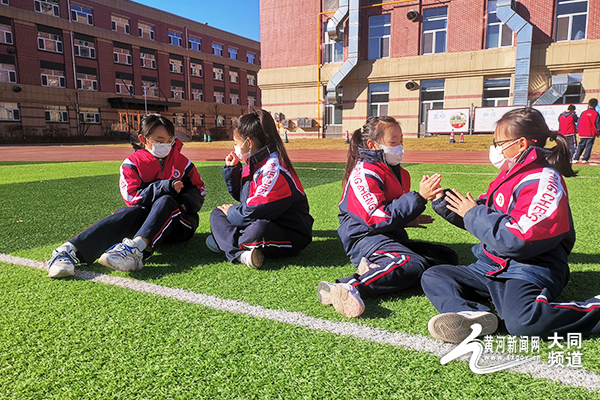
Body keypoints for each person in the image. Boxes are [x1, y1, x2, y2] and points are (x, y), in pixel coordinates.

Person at [418, 107, 600, 344]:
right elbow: (484, 217)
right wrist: (444, 201)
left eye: (499, 143)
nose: (496, 149)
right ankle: (469, 313)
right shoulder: (510, 175)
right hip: (491, 265)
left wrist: (473, 212)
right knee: (435, 275)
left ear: (521, 144)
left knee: (523, 322)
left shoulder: (545, 179)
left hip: (530, 268)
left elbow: (520, 238)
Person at [318, 116, 459, 318]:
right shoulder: (363, 173)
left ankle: (377, 267)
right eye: (393, 142)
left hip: (389, 236)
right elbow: (376, 216)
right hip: (364, 239)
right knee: (411, 263)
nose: (400, 147)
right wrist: (419, 198)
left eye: (401, 141)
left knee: (446, 257)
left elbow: (390, 213)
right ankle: (349, 285)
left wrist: (408, 220)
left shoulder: (401, 173)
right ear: (371, 144)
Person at [45, 114, 206, 278]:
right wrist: (163, 186)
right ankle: (68, 251)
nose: (165, 145)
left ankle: (134, 251)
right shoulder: (132, 164)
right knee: (129, 212)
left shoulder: (183, 163)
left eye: (169, 141)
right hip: (147, 223)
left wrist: (187, 202)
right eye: (159, 140)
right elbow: (132, 197)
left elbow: (200, 189)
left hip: (180, 224)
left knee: (166, 201)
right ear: (144, 139)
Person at [206, 110, 313, 268]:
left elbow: (250, 212)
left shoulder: (273, 170)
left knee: (257, 229)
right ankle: (241, 252)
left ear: (248, 143)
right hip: (262, 219)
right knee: (216, 213)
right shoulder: (255, 162)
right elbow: (243, 198)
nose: (235, 148)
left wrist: (231, 212)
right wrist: (233, 170)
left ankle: (226, 243)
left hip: (290, 233)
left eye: (236, 143)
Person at [573, 98, 600, 164]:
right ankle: (585, 159)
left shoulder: (583, 113)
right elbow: (597, 124)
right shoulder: (596, 114)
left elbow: (578, 123)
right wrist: (598, 132)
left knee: (580, 145)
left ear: (588, 104)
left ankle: (576, 158)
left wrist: (578, 130)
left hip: (582, 132)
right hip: (591, 133)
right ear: (596, 105)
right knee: (589, 146)